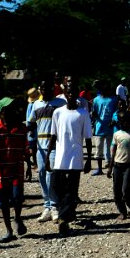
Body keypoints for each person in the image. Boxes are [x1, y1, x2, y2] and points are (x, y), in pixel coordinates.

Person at [45, 88, 93, 235]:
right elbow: (53, 136)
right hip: (60, 158)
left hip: (76, 158)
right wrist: (47, 157)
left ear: (78, 94)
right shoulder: (58, 112)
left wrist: (89, 159)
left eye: (73, 93)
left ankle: (63, 220)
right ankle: (66, 213)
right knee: (56, 187)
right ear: (65, 95)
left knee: (71, 190)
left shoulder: (83, 113)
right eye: (68, 93)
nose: (71, 95)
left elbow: (88, 138)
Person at [0, 97, 31, 243]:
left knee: (18, 197)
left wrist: (29, 166)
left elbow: (26, 149)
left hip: (17, 166)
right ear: (2, 111)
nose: (13, 110)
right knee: (4, 201)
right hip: (0, 169)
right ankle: (9, 230)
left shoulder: (21, 127)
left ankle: (17, 217)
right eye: (9, 108)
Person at [29, 82, 65, 222]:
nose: (45, 89)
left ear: (52, 89)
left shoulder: (60, 103)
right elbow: (31, 123)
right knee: (42, 175)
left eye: (47, 87)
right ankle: (47, 206)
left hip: (55, 145)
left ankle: (55, 205)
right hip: (40, 147)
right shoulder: (36, 104)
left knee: (51, 175)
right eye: (42, 87)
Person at [106, 111, 130, 220]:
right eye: (121, 121)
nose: (123, 123)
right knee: (116, 190)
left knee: (125, 188)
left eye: (125, 121)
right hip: (117, 165)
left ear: (129, 121)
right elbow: (114, 151)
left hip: (128, 165)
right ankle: (122, 211)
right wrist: (110, 167)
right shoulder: (117, 134)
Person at [90, 80, 118, 176]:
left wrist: (114, 120)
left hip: (110, 127)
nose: (106, 91)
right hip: (99, 127)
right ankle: (99, 168)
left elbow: (116, 112)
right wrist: (93, 115)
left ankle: (110, 165)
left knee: (110, 147)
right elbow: (95, 112)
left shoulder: (113, 99)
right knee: (98, 148)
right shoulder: (96, 100)